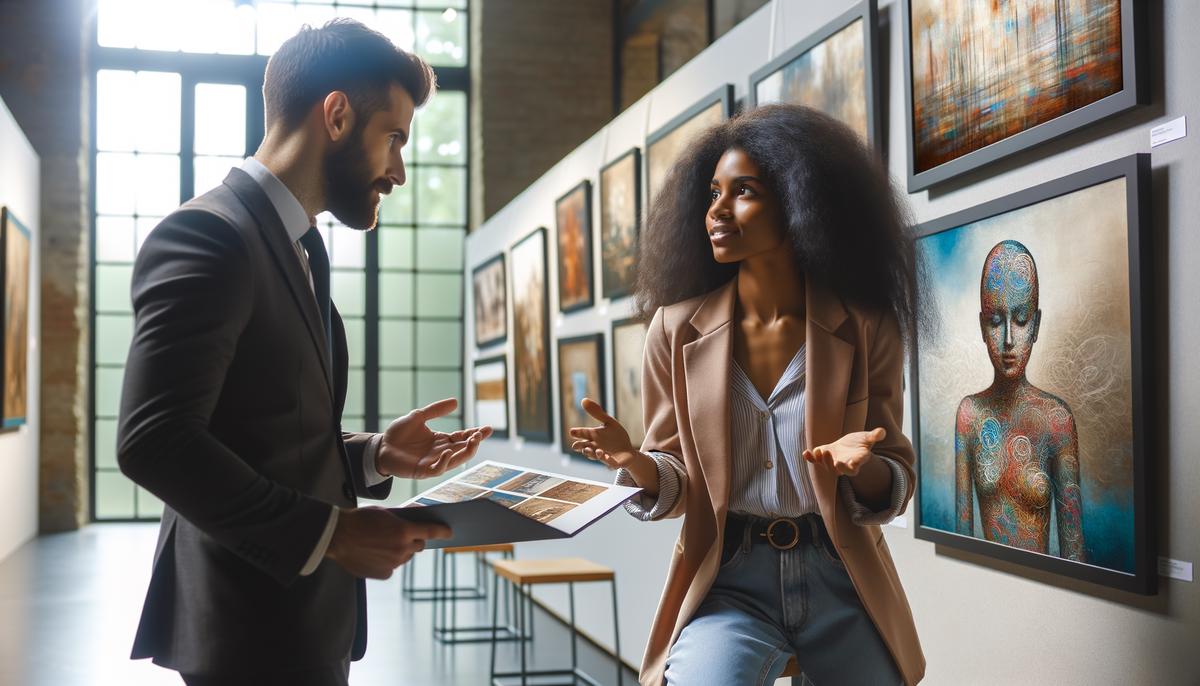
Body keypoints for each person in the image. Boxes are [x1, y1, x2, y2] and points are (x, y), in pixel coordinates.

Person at [116, 19, 491, 686]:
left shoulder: (295, 245)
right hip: (247, 628)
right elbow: (155, 440)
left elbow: (262, 431)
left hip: (298, 624)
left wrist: (374, 454)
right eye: (395, 139)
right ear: (338, 115)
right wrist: (335, 534)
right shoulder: (211, 236)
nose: (399, 171)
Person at [568, 104, 926, 685]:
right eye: (713, 192)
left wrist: (862, 470)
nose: (716, 210)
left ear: (800, 201)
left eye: (744, 192)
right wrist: (637, 464)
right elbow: (678, 480)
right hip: (729, 576)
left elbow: (897, 477)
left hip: (842, 574)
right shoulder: (674, 330)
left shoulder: (866, 325)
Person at [955, 240, 1084, 558]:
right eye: (996, 321)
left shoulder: (1057, 420)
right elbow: (961, 538)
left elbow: (1074, 550)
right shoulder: (970, 415)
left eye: (1022, 319)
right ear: (982, 327)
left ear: (1036, 324)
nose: (1009, 340)